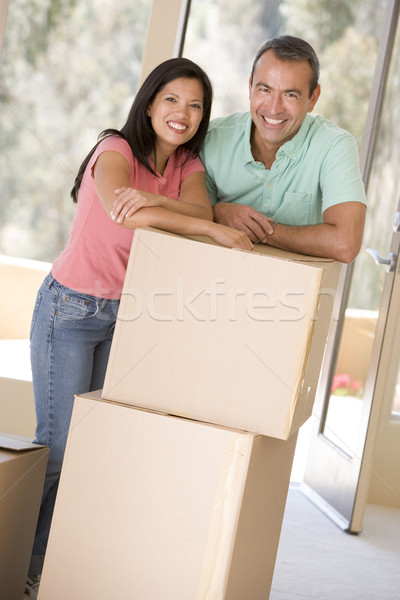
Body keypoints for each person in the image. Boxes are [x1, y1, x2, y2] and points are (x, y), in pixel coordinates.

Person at [26, 57, 252, 598]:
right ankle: (24, 564)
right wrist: (194, 221)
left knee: (97, 449)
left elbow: (194, 216)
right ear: (149, 102)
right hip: (71, 312)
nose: (183, 113)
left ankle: (62, 566)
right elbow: (124, 214)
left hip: (126, 315)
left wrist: (159, 202)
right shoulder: (115, 150)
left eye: (195, 105)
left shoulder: (189, 166)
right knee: (57, 450)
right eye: (172, 99)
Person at [200, 35, 367, 263]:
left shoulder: (335, 146)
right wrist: (217, 212)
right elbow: (187, 217)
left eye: (290, 94)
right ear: (250, 87)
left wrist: (258, 230)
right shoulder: (211, 138)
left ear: (313, 98)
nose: (274, 108)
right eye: (265, 89)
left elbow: (345, 244)